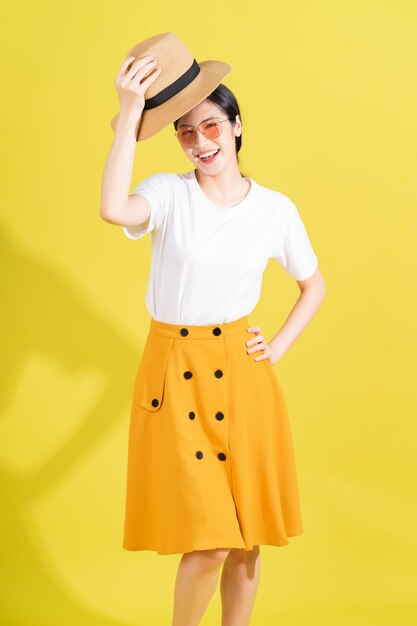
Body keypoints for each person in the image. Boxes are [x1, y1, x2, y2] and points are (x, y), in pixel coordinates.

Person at [100, 33, 326, 626]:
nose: (199, 143)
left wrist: (274, 346)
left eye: (211, 127)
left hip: (245, 378)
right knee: (209, 541)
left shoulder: (275, 210)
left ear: (237, 125)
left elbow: (314, 286)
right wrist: (129, 115)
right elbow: (113, 209)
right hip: (176, 375)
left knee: (247, 536)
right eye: (184, 132)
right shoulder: (169, 195)